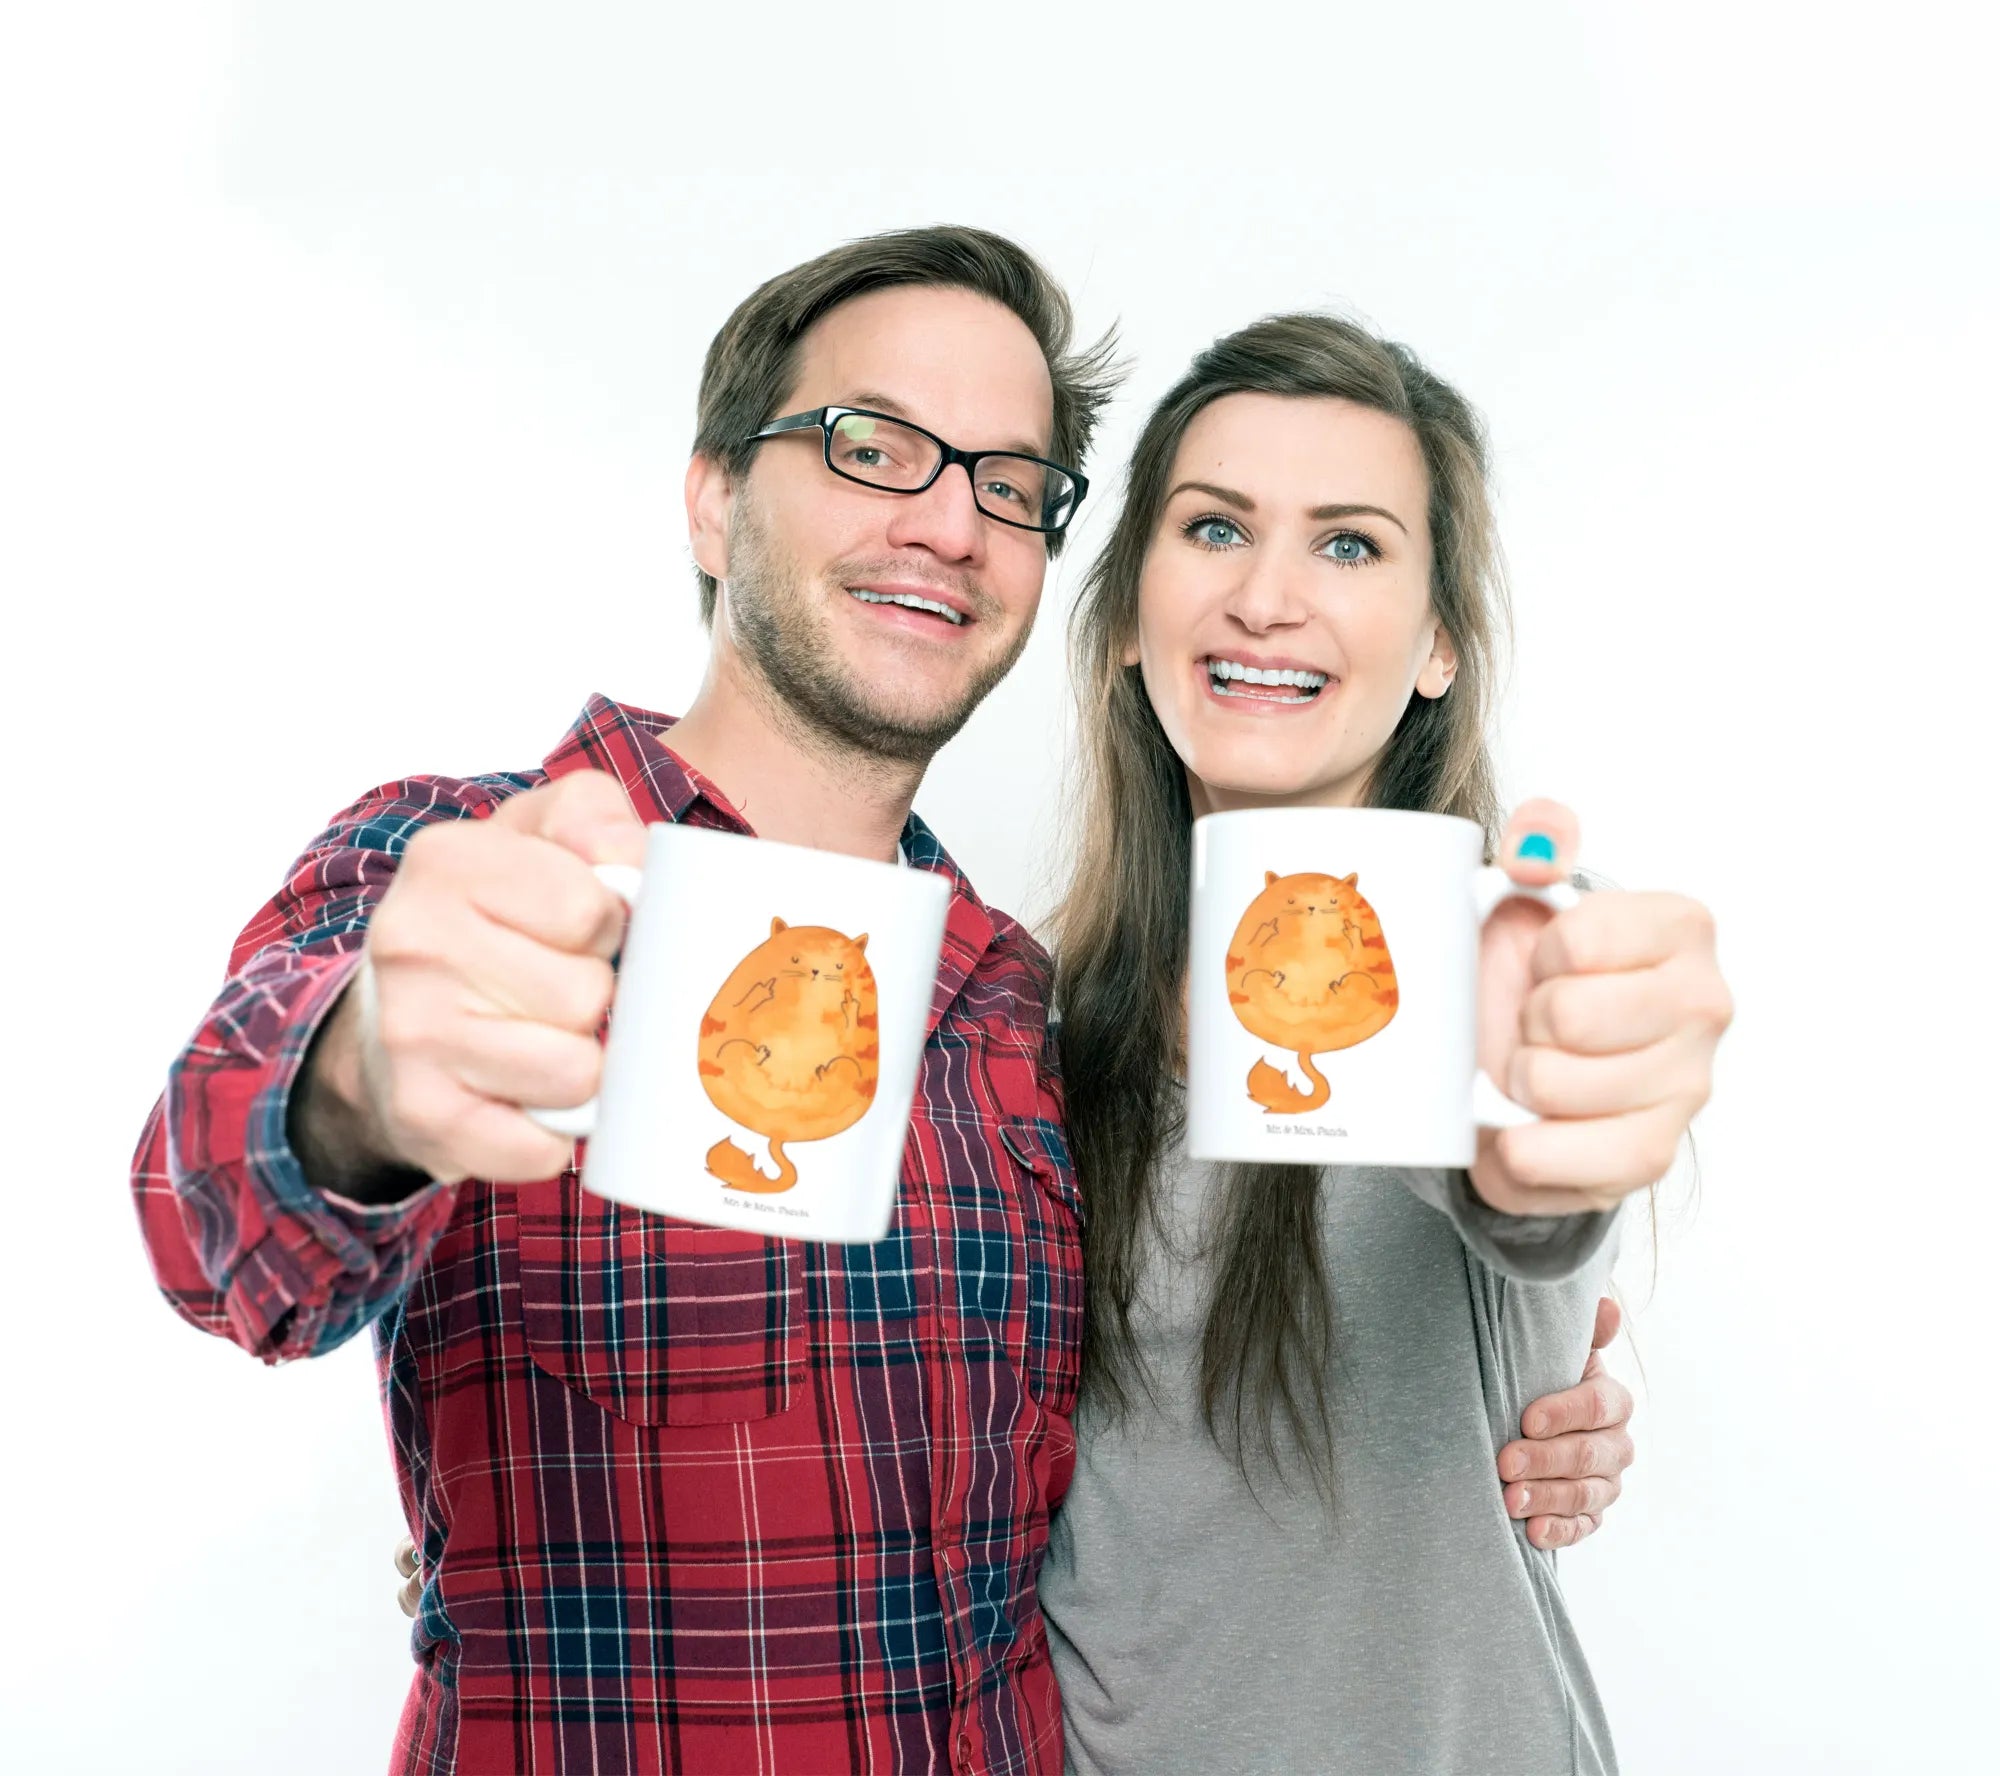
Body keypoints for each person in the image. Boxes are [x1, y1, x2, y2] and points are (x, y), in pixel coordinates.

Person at [133, 226, 1644, 1776]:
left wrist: (1540, 1343)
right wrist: (362, 1085)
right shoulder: (471, 872)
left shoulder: (1015, 1011)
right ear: (715, 495)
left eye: (1008, 482)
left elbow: (1454, 1232)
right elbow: (213, 1217)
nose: (948, 522)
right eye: (873, 447)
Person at [1038, 314, 1733, 1774]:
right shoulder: (1031, 1027)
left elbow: (1525, 1185)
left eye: (1348, 545)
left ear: (1437, 648)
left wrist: (1556, 1126)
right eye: (1215, 528)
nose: (1267, 598)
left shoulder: (1496, 963)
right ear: (1125, 619)